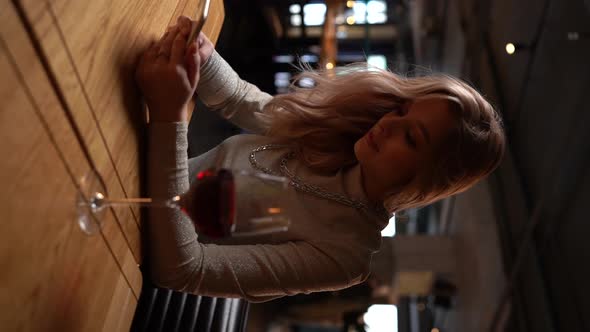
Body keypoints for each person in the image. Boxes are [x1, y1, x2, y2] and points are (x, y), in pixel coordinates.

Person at [135, 16, 505, 303]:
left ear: (425, 180)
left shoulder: (344, 257)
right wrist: (203, 58)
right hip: (135, 180)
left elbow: (183, 270)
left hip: (126, 250)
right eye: (403, 110)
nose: (389, 123)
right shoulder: (338, 135)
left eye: (410, 137)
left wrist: (169, 116)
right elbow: (239, 100)